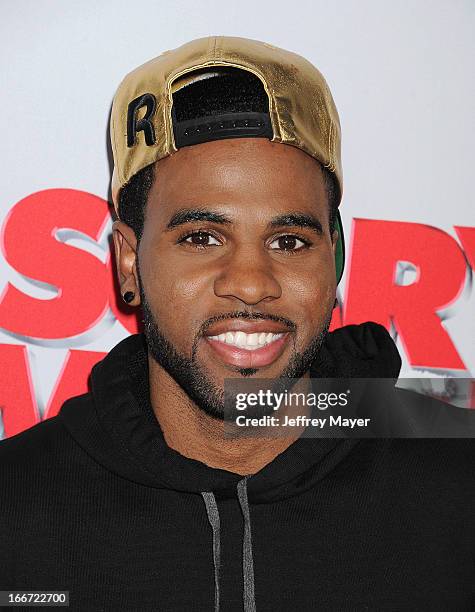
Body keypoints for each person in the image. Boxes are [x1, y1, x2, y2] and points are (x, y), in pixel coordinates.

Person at [1, 36, 474, 611]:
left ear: (337, 258)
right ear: (129, 261)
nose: (251, 283)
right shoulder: (16, 503)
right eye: (201, 238)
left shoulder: (457, 482)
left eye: (290, 240)